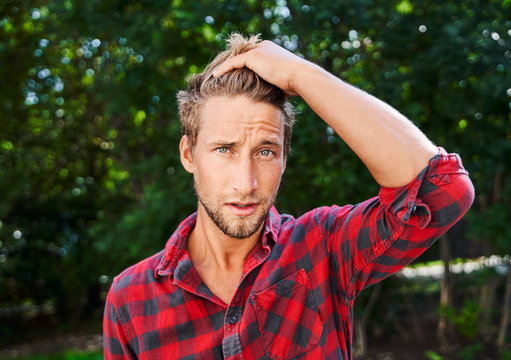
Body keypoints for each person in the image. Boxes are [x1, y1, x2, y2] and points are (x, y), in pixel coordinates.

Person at [103, 34, 474, 360]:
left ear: (284, 158)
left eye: (265, 151)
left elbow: (444, 191)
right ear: (188, 155)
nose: (246, 183)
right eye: (224, 150)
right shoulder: (130, 298)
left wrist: (301, 74)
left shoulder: (321, 248)